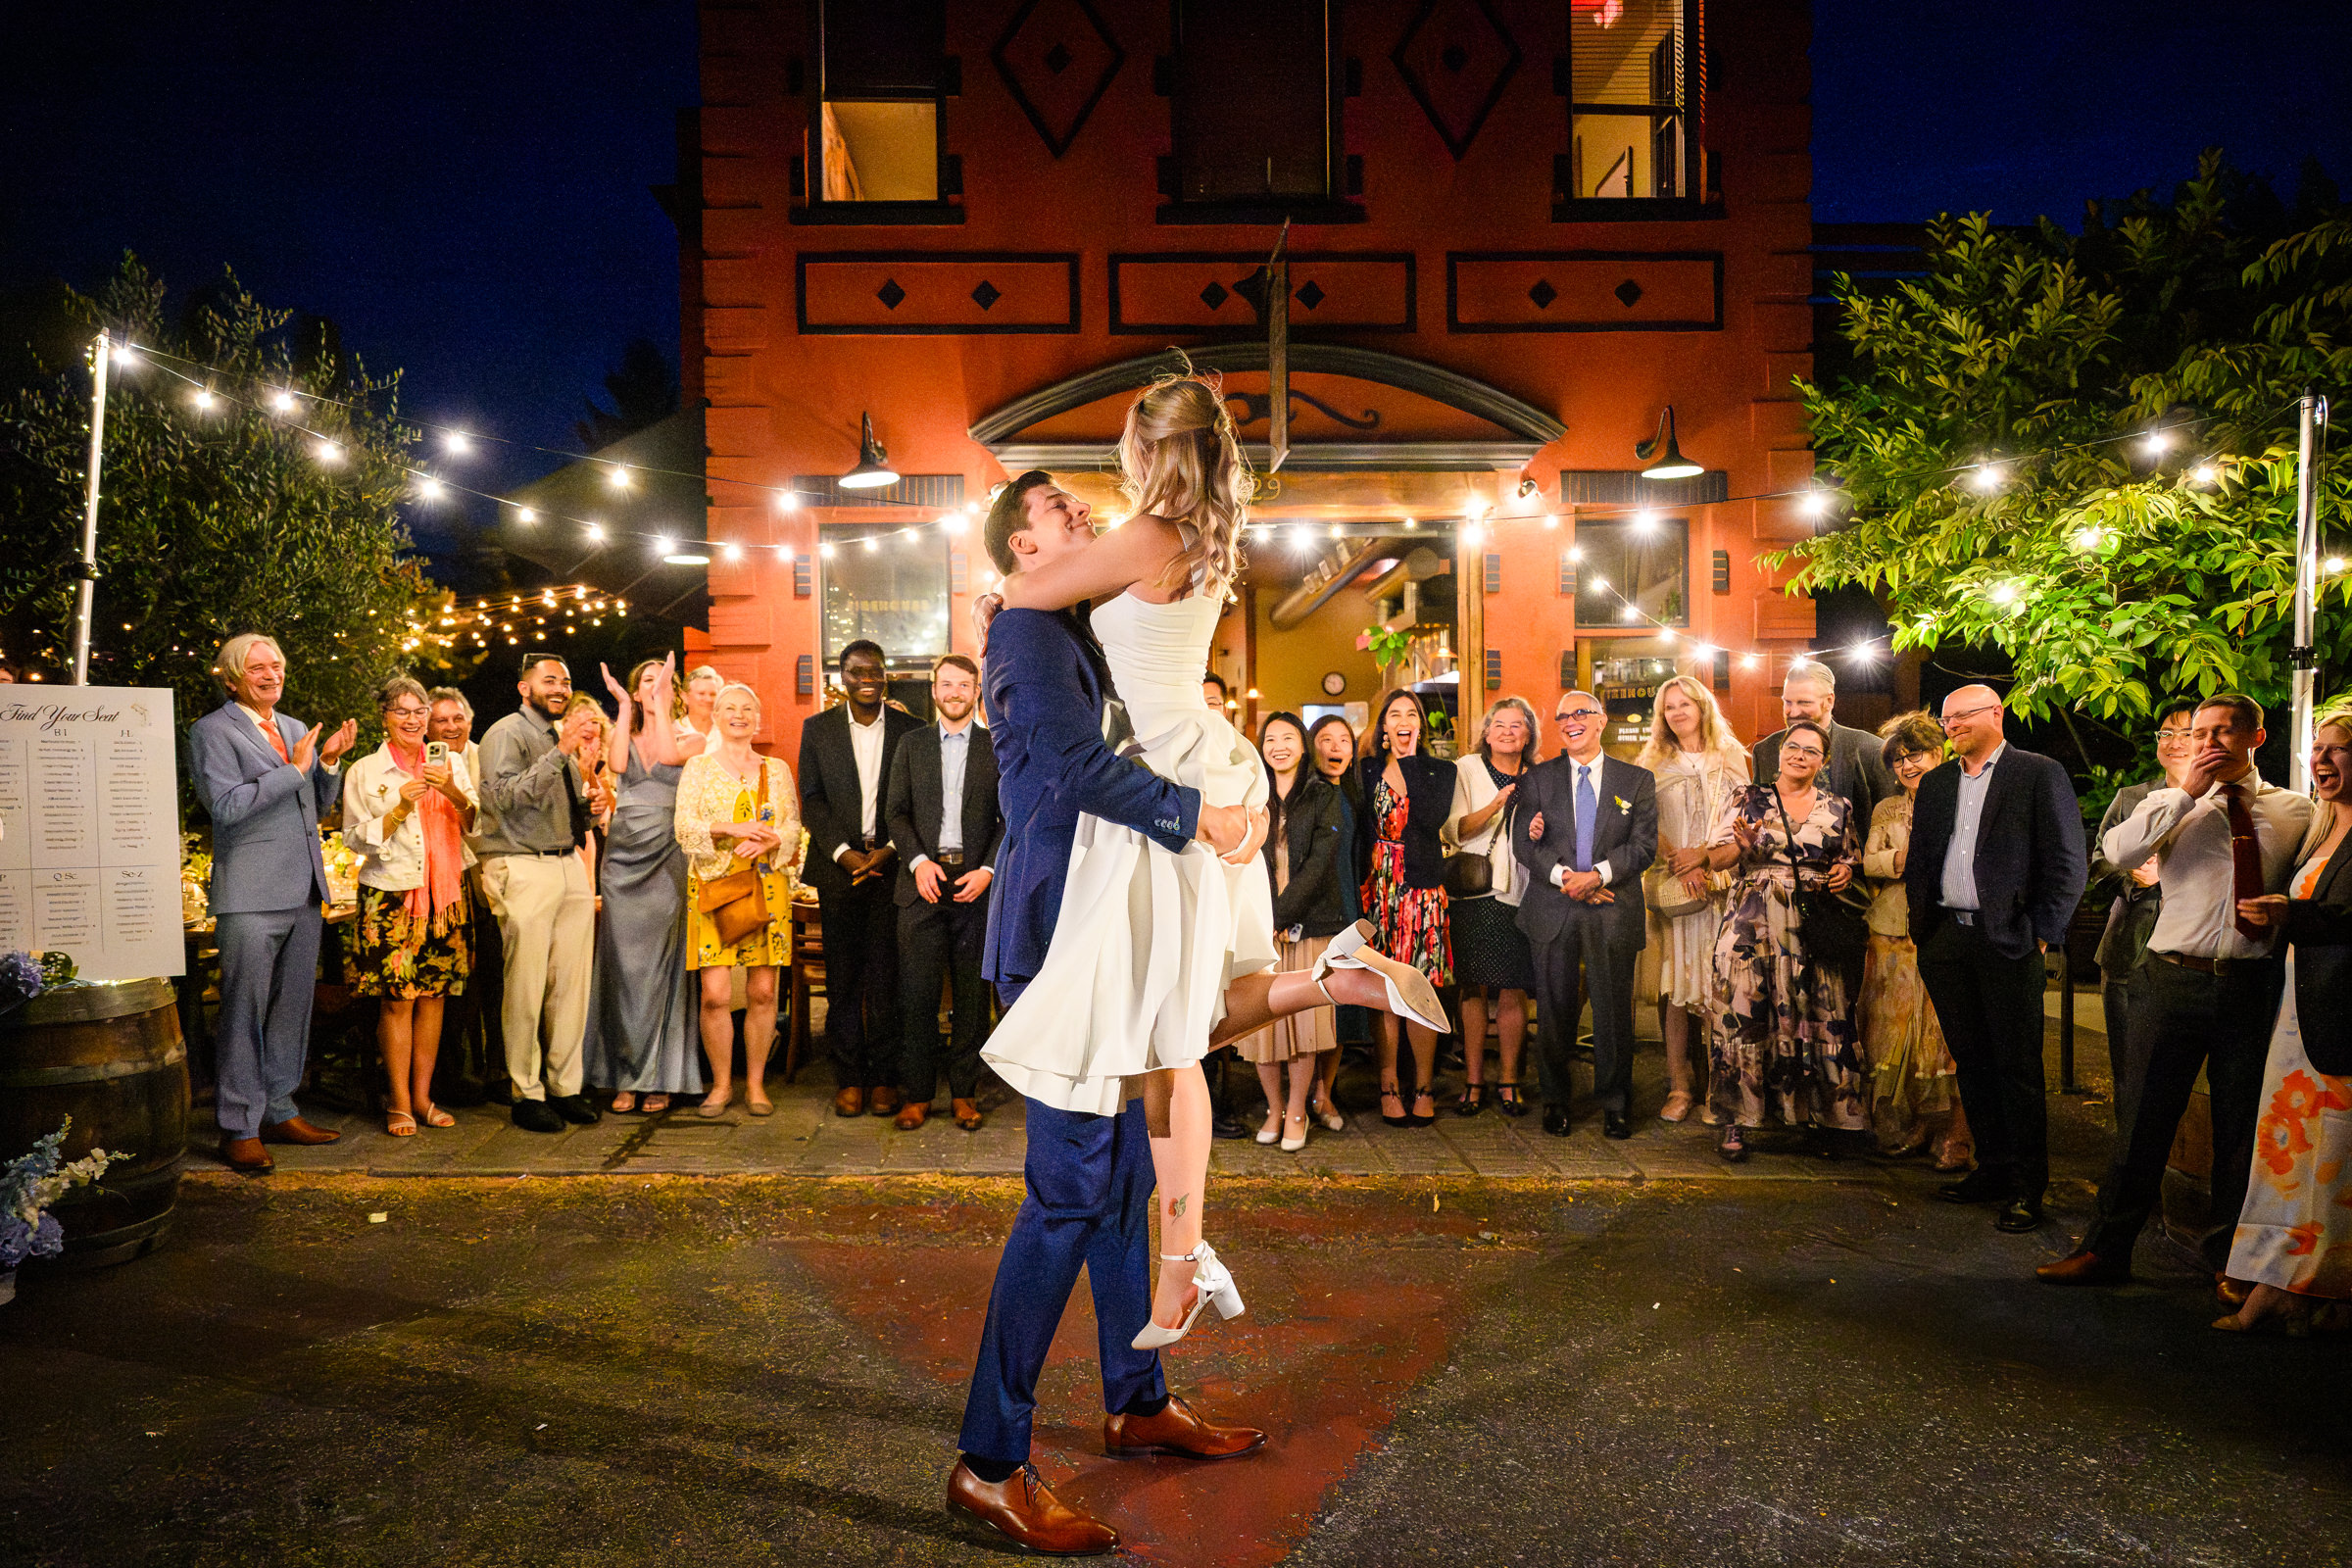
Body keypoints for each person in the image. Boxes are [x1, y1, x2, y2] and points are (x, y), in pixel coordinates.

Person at [980, 393, 1448, 1348]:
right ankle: (1333, 980)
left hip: (1161, 779)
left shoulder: (1148, 532)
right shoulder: (1194, 533)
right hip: (1189, 756)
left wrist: (1018, 602)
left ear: (1149, 450)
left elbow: (1022, 596)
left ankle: (1181, 1268)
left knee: (1172, 1043)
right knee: (1187, 1018)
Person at [2041, 692, 2309, 1283]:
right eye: (2200, 734)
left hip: (2249, 983)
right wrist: (2186, 794)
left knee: (2240, 1128)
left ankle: (2229, 1261)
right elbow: (2115, 853)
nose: (2208, 744)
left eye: (2222, 733)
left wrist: (2285, 907)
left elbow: (2310, 882)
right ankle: (2105, 1251)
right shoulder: (2168, 801)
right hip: (2171, 978)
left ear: (2254, 739)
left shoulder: (2295, 811)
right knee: (2142, 1120)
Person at [1906, 684, 2086, 1233]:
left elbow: (2067, 861)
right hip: (1947, 939)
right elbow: (1922, 859)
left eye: (1963, 715)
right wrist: (1924, 930)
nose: (1952, 725)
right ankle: (1994, 1168)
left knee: (2018, 1068)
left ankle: (2029, 1187)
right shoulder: (1937, 783)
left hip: (2008, 939)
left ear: (1996, 714)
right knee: (1973, 1062)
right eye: (1946, 718)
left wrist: (2041, 933)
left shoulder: (2038, 773)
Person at [187, 633, 357, 1173]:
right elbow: (227, 807)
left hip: (304, 890)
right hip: (251, 895)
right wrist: (295, 770)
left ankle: (280, 1109)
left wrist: (326, 766)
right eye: (257, 667)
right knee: (244, 1009)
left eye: (277, 665)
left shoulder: (294, 729)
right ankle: (238, 1126)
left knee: (291, 1010)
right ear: (233, 678)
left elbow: (313, 809)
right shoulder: (211, 731)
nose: (271, 674)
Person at [2218, 707, 2352, 1332]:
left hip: (2341, 1020)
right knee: (2287, 1156)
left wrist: (2291, 916)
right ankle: (2277, 1280)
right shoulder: (2320, 824)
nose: (2322, 761)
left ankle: (2313, 1289)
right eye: (2318, 749)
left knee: (2332, 1161)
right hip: (2298, 1014)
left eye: (2338, 750)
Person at [1702, 716, 1864, 1160]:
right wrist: (1742, 844)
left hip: (1811, 928)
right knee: (1742, 1016)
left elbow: (1850, 857)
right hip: (1750, 925)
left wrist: (1844, 871)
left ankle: (1814, 1117)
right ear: (1780, 752)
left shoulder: (1838, 806)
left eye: (1811, 751)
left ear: (1823, 761)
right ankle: (1736, 1123)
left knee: (1817, 1013)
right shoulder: (1746, 798)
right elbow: (1716, 861)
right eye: (1794, 746)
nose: (1800, 755)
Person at [1515, 690, 1658, 1140]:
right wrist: (1566, 878)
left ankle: (1615, 1102)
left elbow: (1643, 846)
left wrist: (1596, 876)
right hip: (1553, 907)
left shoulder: (1636, 780)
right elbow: (1525, 843)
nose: (1571, 721)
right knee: (1554, 1011)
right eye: (1562, 716)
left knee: (1613, 1013)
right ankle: (1556, 1100)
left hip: (1612, 909)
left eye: (1581, 713)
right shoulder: (1538, 778)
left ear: (1601, 721)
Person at [341, 675, 476, 1136]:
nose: (414, 719)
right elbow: (356, 838)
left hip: (445, 894)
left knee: (434, 997)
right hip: (390, 895)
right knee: (398, 1000)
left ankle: (423, 1097)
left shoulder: (451, 762)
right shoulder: (365, 771)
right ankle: (398, 1100)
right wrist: (399, 807)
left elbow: (473, 821)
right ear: (385, 718)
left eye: (420, 711)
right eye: (402, 711)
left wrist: (451, 791)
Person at [475, 654, 604, 1134]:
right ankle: (524, 1090)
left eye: (566, 680)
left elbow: (566, 810)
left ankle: (564, 1085)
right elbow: (503, 799)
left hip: (568, 861)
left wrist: (591, 800)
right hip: (523, 863)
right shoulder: (506, 732)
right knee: (526, 985)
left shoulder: (558, 739)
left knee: (570, 985)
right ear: (523, 687)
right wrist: (561, 753)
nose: (561, 687)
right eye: (549, 679)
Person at [800, 639, 923, 1118]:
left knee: (888, 978)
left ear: (885, 674)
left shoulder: (912, 732)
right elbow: (812, 800)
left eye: (875, 670)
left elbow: (918, 800)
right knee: (844, 979)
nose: (866, 678)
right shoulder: (818, 730)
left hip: (893, 869)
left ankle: (885, 1079)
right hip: (839, 873)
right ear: (842, 678)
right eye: (856, 671)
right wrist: (845, 854)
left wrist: (889, 850)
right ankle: (849, 1078)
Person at [885, 654, 1002, 1132]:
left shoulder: (996, 747)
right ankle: (916, 1095)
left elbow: (1009, 817)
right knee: (916, 997)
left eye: (964, 685)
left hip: (974, 886)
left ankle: (963, 1093)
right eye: (946, 684)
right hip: (922, 887)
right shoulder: (911, 745)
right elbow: (895, 813)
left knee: (972, 999)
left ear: (977, 691)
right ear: (933, 691)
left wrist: (990, 870)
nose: (955, 693)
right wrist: (918, 863)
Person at [584, 657, 705, 1115]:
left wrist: (659, 706)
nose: (655, 688)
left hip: (668, 855)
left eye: (663, 681)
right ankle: (624, 1075)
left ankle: (661, 1076)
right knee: (624, 969)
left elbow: (672, 758)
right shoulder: (625, 735)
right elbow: (615, 763)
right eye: (645, 683)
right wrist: (621, 708)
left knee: (661, 968)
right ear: (635, 692)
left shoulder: (689, 739)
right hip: (622, 860)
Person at [675, 682, 802, 1117]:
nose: (739, 714)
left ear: (758, 718)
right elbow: (684, 828)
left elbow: (793, 830)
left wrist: (769, 839)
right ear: (716, 716)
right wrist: (731, 830)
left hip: (766, 886)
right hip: (714, 887)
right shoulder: (697, 767)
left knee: (764, 991)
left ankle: (755, 1084)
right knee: (714, 993)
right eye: (730, 707)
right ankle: (721, 1084)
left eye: (748, 708)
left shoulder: (778, 769)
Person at [1633, 674, 1749, 1123]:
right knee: (1677, 989)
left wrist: (1706, 859)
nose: (1678, 712)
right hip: (1675, 887)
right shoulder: (1652, 762)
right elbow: (1644, 821)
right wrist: (1679, 859)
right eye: (1669, 707)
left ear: (1703, 707)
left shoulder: (1734, 757)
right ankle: (1679, 1086)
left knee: (1719, 990)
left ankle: (1721, 1088)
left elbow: (1745, 817)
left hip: (1722, 885)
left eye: (1685, 704)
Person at [1858, 713, 1972, 1166]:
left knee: (1946, 1037)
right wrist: (1899, 859)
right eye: (1898, 759)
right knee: (1895, 1037)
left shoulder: (1963, 798)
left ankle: (1958, 1133)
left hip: (1943, 929)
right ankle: (1921, 1124)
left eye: (1916, 754)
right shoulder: (1887, 809)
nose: (1907, 765)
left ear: (1939, 752)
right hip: (1890, 930)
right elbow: (1869, 860)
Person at [1236, 712, 1351, 1150]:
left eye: (1288, 737)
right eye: (1270, 739)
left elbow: (1322, 864)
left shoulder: (1323, 795)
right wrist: (1266, 919)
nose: (1279, 745)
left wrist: (1282, 915)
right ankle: (1273, 1107)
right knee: (1264, 1028)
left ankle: (1298, 1110)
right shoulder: (1250, 795)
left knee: (1304, 1025)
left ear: (1304, 746)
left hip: (1311, 922)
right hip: (1258, 926)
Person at [1351, 687, 1460, 1129]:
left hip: (1422, 890)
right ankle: (1388, 1082)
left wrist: (1411, 758)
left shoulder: (1440, 771)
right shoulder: (1366, 770)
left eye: (1410, 714)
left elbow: (1430, 820)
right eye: (1393, 714)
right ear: (1382, 727)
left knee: (1420, 988)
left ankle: (1425, 1085)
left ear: (1420, 724)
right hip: (1377, 889)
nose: (1402, 720)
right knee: (1383, 992)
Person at [2089, 702, 2197, 1123]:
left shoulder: (2221, 801)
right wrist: (2132, 878)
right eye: (2165, 733)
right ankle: (2128, 1165)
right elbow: (2099, 859)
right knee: (2129, 1069)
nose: (2173, 743)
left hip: (2193, 955)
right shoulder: (2133, 798)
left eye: (2185, 733)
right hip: (2129, 949)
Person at [1447, 697, 1542, 1117]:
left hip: (1522, 890)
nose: (1507, 731)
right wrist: (1496, 804)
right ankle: (1472, 1080)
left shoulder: (1539, 776)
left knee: (1514, 985)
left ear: (1528, 735)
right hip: (1476, 891)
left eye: (1516, 725)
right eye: (1498, 725)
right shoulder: (1466, 768)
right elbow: (1455, 828)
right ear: (1486, 733)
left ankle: (1508, 1079)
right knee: (1472, 986)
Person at [424, 686, 494, 1105]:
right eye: (441, 720)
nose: (451, 727)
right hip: (450, 875)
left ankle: (490, 1070)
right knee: (452, 979)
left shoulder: (488, 755)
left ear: (469, 720)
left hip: (489, 873)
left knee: (489, 978)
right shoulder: (422, 761)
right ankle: (453, 1073)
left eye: (457, 719)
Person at [1307, 711, 1368, 1126]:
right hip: (1315, 907)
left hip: (1348, 906)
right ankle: (1301, 1095)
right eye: (1326, 740)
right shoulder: (1307, 794)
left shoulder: (1351, 793)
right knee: (1311, 1005)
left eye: (1343, 740)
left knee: (1341, 1004)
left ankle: (1323, 1094)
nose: (1335, 747)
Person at [681, 663, 725, 738]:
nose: (708, 700)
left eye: (713, 694)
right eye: (701, 694)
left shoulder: (727, 732)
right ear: (685, 697)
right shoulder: (674, 732)